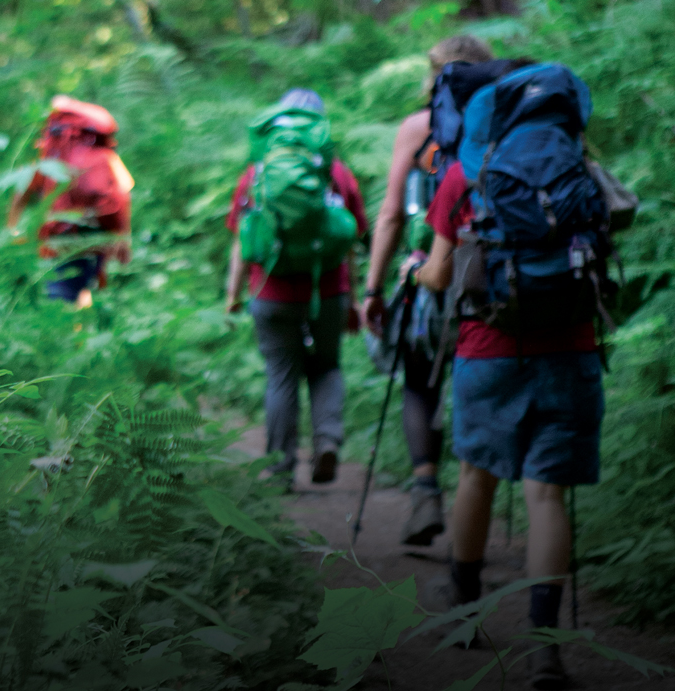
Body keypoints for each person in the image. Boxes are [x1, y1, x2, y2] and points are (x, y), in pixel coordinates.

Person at [415, 68, 607, 688]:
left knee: (477, 475)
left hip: (487, 349)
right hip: (570, 349)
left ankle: (467, 612)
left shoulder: (462, 176)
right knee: (545, 494)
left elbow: (441, 277)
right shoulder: (581, 168)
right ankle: (545, 648)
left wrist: (417, 270)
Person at [359, 35, 494, 545]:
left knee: (419, 377)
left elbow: (392, 212)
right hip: (492, 277)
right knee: (477, 371)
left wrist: (374, 287)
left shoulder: (420, 128)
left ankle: (424, 493)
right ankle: (475, 492)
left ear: (433, 74)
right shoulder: (504, 122)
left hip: (432, 273)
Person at [224, 89, 369, 490]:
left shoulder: (257, 172)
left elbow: (242, 239)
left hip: (271, 293)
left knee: (281, 375)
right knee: (327, 366)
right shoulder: (336, 171)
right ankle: (327, 440)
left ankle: (280, 467)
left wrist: (233, 295)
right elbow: (350, 239)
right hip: (329, 290)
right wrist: (354, 299)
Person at [7, 96, 133, 308]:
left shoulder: (52, 156)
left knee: (61, 300)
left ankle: (71, 338)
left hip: (61, 235)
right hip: (99, 233)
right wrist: (123, 236)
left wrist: (13, 229)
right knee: (84, 288)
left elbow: (23, 191)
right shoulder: (104, 154)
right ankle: (86, 334)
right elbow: (123, 191)